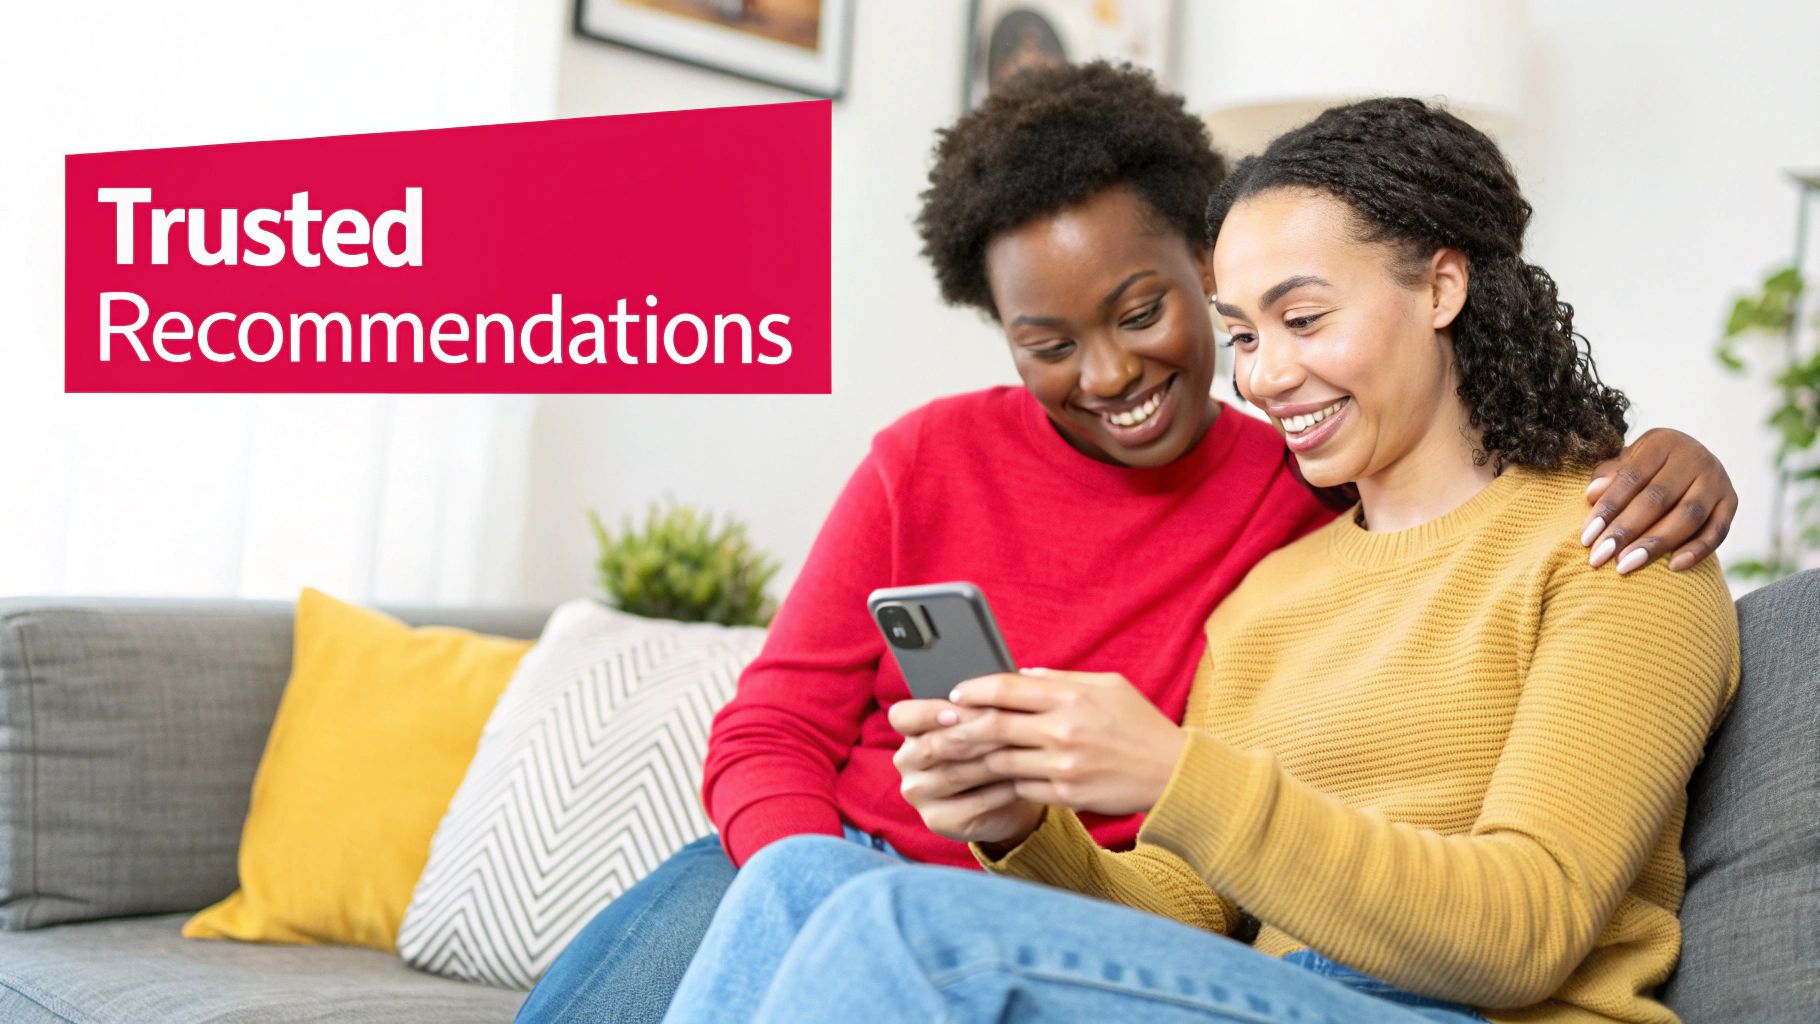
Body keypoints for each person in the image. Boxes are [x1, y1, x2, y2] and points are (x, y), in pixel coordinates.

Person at [517, 67, 1736, 1024]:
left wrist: (1169, 775)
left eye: (1300, 318)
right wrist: (1016, 829)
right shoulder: (1278, 586)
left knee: (893, 925)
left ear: (1440, 286)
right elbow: (1194, 908)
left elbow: (1523, 931)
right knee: (804, 886)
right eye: (1245, 331)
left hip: (1462, 1008)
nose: (1267, 374)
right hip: (1257, 985)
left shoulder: (1614, 541)